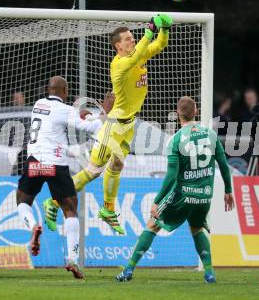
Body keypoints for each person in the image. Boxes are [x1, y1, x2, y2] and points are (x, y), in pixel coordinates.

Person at [43, 14, 173, 235]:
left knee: (116, 166)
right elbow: (138, 54)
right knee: (93, 170)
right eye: (128, 39)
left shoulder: (137, 56)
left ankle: (108, 210)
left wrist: (164, 30)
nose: (132, 40)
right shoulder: (120, 64)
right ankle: (53, 202)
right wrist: (149, 31)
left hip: (128, 125)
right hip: (114, 126)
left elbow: (159, 45)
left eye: (133, 37)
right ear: (118, 46)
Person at [116, 96, 234, 283]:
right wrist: (228, 190)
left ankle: (128, 270)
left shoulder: (176, 139)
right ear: (196, 111)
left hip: (183, 195)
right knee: (196, 228)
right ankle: (209, 273)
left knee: (153, 224)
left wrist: (157, 200)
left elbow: (171, 176)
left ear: (178, 114)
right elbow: (224, 165)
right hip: (204, 197)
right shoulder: (211, 135)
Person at [16, 76, 107, 279]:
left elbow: (63, 119)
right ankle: (72, 259)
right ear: (65, 91)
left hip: (35, 163)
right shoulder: (66, 110)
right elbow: (92, 128)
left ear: (49, 90)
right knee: (70, 211)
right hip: (56, 164)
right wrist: (102, 115)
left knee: (22, 202)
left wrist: (82, 115)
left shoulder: (38, 105)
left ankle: (33, 226)